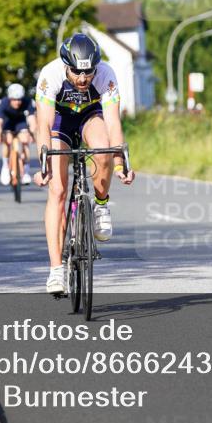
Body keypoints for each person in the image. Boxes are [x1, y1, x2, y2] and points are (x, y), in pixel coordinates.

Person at [33, 33, 135, 294]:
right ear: (66, 64)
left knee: (102, 150)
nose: (82, 78)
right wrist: (43, 163)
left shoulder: (106, 73)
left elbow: (113, 121)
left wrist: (121, 162)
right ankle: (56, 270)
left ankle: (101, 205)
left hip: (90, 117)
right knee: (57, 191)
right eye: (77, 72)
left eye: (88, 72)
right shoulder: (50, 74)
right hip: (59, 123)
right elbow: (43, 123)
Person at [0, 83, 36, 185]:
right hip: (8, 123)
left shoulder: (28, 102)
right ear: (10, 98)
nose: (17, 102)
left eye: (19, 99)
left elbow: (32, 120)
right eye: (14, 99)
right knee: (7, 140)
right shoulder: (4, 103)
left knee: (25, 140)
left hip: (20, 122)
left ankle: (25, 171)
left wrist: (32, 134)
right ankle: (5, 167)